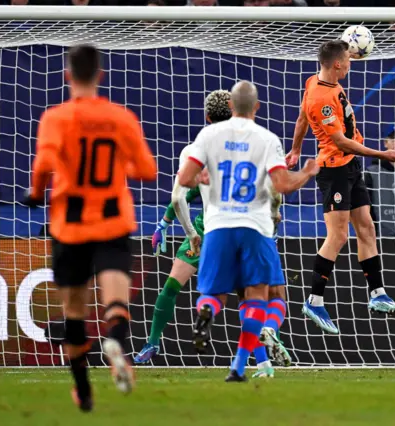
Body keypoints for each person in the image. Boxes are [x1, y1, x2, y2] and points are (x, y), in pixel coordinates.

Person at [22, 44, 157, 411]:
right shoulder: (120, 117)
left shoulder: (55, 118)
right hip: (112, 220)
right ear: (100, 75)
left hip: (71, 224)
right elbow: (147, 171)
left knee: (75, 314)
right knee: (114, 303)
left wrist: (34, 194)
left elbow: (45, 163)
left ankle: (83, 391)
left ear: (68, 76)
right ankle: (116, 340)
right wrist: (120, 169)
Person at [134, 90, 292, 376]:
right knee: (255, 297)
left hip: (208, 228)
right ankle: (264, 349)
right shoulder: (252, 142)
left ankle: (152, 342)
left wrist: (169, 226)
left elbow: (181, 194)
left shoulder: (199, 146)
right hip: (246, 228)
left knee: (173, 284)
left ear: (207, 116)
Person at [176, 80, 319, 381]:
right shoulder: (267, 139)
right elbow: (281, 185)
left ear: (230, 106)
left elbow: (185, 180)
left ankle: (207, 312)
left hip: (218, 227)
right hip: (255, 226)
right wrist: (306, 172)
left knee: (214, 294)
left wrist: (202, 176)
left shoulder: (207, 135)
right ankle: (240, 366)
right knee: (258, 297)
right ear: (256, 106)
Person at [286, 40, 395, 335]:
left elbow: (301, 118)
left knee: (366, 227)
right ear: (337, 64)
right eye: (348, 60)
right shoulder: (321, 98)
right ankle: (314, 300)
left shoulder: (317, 78)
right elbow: (340, 141)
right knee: (338, 235)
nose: (351, 63)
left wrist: (296, 149)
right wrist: (382, 154)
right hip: (335, 170)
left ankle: (377, 294)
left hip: (351, 166)